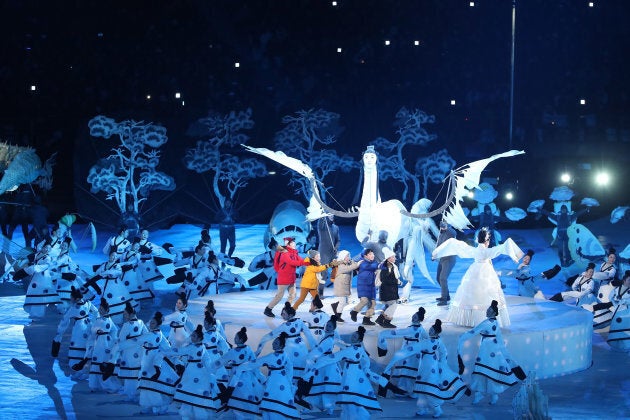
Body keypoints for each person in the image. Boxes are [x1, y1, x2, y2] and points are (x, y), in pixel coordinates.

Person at [432, 227, 524, 327]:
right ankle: (485, 318)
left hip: (474, 271)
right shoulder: (487, 251)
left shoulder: (474, 251)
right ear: (486, 240)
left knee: (471, 295)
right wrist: (515, 256)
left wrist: (436, 253)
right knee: (486, 295)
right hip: (486, 273)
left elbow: (455, 244)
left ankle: (470, 319)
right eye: (488, 239)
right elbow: (504, 246)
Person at [457, 300, 526, 405]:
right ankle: (489, 394)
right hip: (492, 348)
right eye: (488, 309)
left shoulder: (486, 323)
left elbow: (474, 331)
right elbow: (498, 338)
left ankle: (483, 394)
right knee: (488, 372)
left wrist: (462, 337)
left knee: (482, 371)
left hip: (487, 350)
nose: (487, 311)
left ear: (494, 312)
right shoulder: (495, 322)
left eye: (489, 310)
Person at [413, 319, 469, 418]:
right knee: (422, 390)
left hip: (431, 368)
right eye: (430, 329)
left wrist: (441, 364)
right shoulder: (428, 340)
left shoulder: (436, 342)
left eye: (432, 330)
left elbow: (444, 352)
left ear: (436, 332)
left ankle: (437, 409)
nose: (430, 331)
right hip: (423, 367)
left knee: (429, 390)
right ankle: (422, 408)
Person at [256, 302, 317, 383]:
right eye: (282, 313)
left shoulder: (285, 326)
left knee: (290, 364)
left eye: (284, 314)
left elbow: (269, 336)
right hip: (301, 348)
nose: (282, 315)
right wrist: (315, 349)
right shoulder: (299, 322)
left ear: (290, 315)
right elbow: (309, 336)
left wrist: (259, 349)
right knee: (299, 364)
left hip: (290, 349)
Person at [378, 307, 429, 393]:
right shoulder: (420, 328)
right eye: (414, 316)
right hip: (412, 352)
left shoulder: (411, 329)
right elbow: (426, 338)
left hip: (409, 352)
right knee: (409, 371)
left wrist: (384, 334)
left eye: (415, 317)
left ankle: (403, 389)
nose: (413, 317)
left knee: (406, 370)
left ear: (419, 320)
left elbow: (399, 333)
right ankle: (408, 390)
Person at [221, 327, 264, 419]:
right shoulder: (248, 349)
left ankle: (238, 412)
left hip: (236, 376)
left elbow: (221, 361)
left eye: (236, 337)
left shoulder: (233, 352)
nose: (234, 338)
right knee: (246, 393)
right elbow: (254, 363)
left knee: (237, 394)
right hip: (248, 376)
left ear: (240, 339)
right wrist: (259, 377)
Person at [263, 237, 308, 318]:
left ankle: (286, 310)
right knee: (279, 296)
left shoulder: (294, 252)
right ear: (288, 244)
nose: (295, 244)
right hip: (284, 278)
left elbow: (300, 260)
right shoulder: (284, 253)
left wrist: (308, 262)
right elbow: (292, 262)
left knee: (293, 295)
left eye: (294, 242)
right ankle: (268, 309)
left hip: (291, 278)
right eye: (293, 242)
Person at [350, 248, 380, 326]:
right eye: (370, 254)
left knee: (373, 303)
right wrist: (381, 264)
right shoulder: (362, 263)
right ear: (365, 256)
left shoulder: (373, 262)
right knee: (364, 301)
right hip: (363, 285)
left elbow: (375, 266)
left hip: (371, 286)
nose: (372, 255)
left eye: (373, 253)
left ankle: (366, 319)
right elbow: (372, 267)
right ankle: (354, 312)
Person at [330, 249, 362, 322]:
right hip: (340, 286)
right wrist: (357, 264)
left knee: (346, 302)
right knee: (342, 302)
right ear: (342, 257)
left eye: (349, 256)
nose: (348, 258)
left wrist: (354, 263)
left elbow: (351, 266)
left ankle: (335, 306)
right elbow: (349, 269)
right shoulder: (340, 265)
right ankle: (337, 317)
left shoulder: (347, 263)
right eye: (347, 256)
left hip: (345, 286)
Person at [375, 247, 401, 328]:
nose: (395, 258)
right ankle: (386, 321)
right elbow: (384, 279)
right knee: (393, 305)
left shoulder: (391, 266)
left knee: (388, 305)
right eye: (393, 257)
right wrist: (396, 281)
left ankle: (380, 319)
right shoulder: (386, 267)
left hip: (390, 290)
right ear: (388, 258)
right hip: (387, 291)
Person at [317, 214, 340, 296]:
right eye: (329, 215)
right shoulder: (322, 226)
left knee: (338, 270)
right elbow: (320, 223)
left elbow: (338, 240)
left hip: (333, 252)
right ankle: (320, 292)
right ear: (326, 216)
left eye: (333, 215)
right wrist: (321, 217)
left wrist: (336, 248)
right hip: (324, 253)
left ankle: (339, 291)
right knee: (324, 273)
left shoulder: (336, 227)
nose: (332, 217)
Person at [607, 270, 630, 351]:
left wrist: (624, 301)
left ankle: (627, 346)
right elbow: (610, 297)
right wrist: (615, 301)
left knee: (625, 329)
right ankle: (616, 346)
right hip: (617, 312)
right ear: (624, 280)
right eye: (629, 280)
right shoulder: (617, 289)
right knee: (616, 328)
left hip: (626, 313)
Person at [434, 220, 457, 306]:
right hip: (442, 258)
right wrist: (435, 254)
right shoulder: (441, 233)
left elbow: (453, 233)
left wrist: (447, 227)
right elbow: (438, 245)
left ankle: (444, 299)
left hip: (449, 258)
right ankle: (446, 295)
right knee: (438, 278)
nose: (442, 226)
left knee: (443, 278)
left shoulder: (450, 233)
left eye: (444, 225)